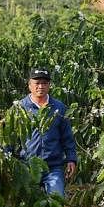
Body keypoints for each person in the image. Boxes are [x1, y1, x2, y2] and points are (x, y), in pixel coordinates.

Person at [18, 68, 77, 197]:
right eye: (37, 83)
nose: (41, 86)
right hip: (27, 166)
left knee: (57, 199)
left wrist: (71, 159)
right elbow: (10, 137)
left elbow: (67, 136)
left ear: (49, 85)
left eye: (44, 83)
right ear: (29, 85)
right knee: (27, 202)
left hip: (53, 167)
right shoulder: (20, 108)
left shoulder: (59, 108)